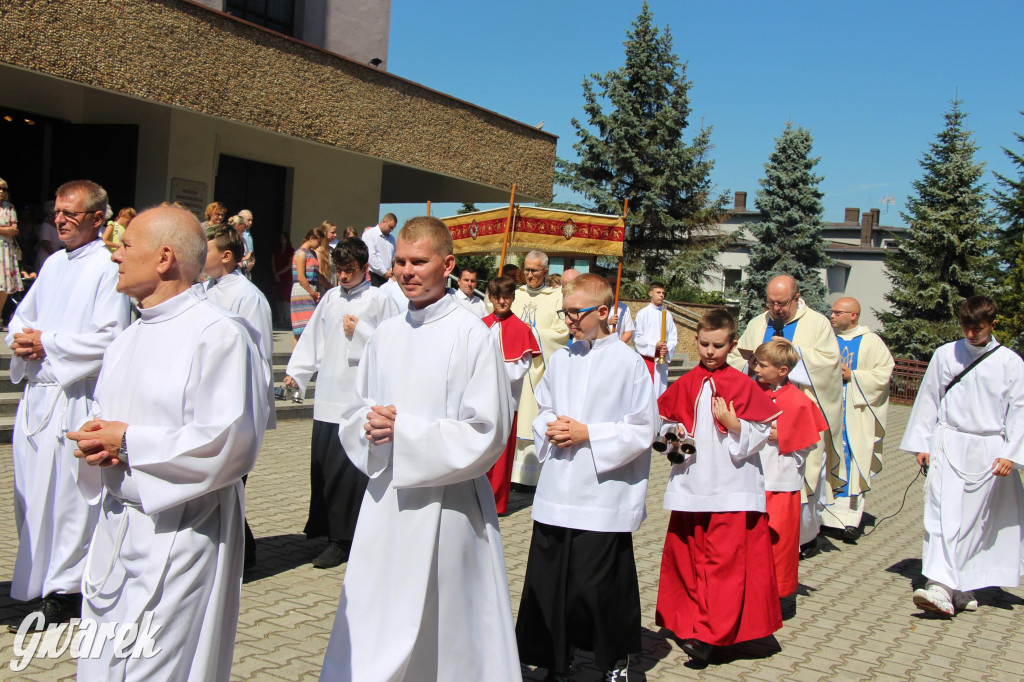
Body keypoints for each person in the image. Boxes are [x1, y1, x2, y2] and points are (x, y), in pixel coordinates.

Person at [66, 205, 269, 680]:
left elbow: (228, 442)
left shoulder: (217, 335)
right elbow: (113, 419)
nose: (115, 253)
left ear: (163, 259)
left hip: (181, 531)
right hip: (116, 527)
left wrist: (128, 442)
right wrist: (96, 439)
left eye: (126, 244)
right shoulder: (126, 338)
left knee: (156, 669)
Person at [321, 216, 519, 681]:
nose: (407, 272)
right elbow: (356, 408)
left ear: (447, 264)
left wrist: (405, 432)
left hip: (448, 505)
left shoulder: (473, 334)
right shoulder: (386, 333)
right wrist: (369, 428)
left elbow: (488, 430)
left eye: (419, 262)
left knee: (445, 624)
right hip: (387, 497)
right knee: (380, 611)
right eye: (400, 263)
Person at [516, 274, 657, 682]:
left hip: (602, 494)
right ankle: (556, 661)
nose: (568, 321)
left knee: (597, 587)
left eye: (575, 312)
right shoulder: (561, 359)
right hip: (559, 486)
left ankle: (612, 661)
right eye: (565, 312)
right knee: (549, 583)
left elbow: (642, 428)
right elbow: (542, 408)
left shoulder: (628, 362)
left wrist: (589, 432)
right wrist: (550, 427)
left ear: (603, 311)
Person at [6, 180, 131, 630]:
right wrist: (21, 341)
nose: (59, 219)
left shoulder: (106, 266)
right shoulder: (54, 263)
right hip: (38, 396)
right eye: (57, 212)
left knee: (68, 500)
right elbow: (23, 317)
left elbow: (110, 338)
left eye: (70, 213)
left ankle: (66, 589)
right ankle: (39, 579)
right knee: (32, 495)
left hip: (75, 397)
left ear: (97, 218)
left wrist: (49, 344)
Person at [656, 308, 782, 663]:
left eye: (718, 345)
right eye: (704, 344)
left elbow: (761, 434)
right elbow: (665, 434)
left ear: (733, 344)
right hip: (692, 484)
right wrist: (674, 436)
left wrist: (735, 424)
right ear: (696, 341)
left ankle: (715, 634)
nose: (710, 351)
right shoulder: (683, 384)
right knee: (689, 558)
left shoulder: (744, 386)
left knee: (724, 564)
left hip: (731, 486)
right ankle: (689, 622)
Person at [902, 295, 1024, 617]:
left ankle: (961, 582)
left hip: (989, 450)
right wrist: (922, 443)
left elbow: (1020, 411)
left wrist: (1012, 453)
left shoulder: (1010, 363)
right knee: (942, 515)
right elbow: (929, 398)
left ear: (992, 324)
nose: (971, 334)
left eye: (978, 329)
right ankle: (940, 586)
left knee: (975, 521)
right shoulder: (946, 354)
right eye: (966, 327)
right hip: (949, 442)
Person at [283, 238, 400, 569]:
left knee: (346, 472)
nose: (343, 276)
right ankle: (325, 530)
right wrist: (297, 372)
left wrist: (361, 329)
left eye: (350, 270)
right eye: (339, 270)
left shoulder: (379, 300)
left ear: (365, 268)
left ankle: (343, 540)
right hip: (327, 398)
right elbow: (313, 339)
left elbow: (393, 343)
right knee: (323, 468)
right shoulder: (331, 299)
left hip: (357, 399)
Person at [729, 275, 842, 556]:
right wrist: (750, 363)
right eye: (771, 302)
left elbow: (830, 363)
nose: (776, 309)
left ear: (796, 297)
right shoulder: (758, 323)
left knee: (804, 472)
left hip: (797, 407)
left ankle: (804, 537)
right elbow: (735, 359)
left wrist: (794, 355)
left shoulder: (817, 323)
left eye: (782, 303)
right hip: (758, 409)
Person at [203, 225, 275, 570]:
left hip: (236, 406)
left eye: (206, 251)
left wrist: (251, 413)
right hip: (207, 404)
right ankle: (232, 554)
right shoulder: (204, 289)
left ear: (226, 256)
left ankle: (242, 558)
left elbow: (258, 358)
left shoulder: (248, 296)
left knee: (230, 485)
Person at [753, 339, 828, 599]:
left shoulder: (799, 401)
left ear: (782, 370)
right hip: (752, 479)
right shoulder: (752, 391)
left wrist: (782, 434)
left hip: (782, 481)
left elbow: (808, 444)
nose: (756, 369)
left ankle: (779, 593)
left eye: (762, 365)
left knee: (780, 543)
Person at [823, 296, 894, 542]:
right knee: (826, 457)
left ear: (853, 315)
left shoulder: (871, 342)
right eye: (832, 312)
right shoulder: (827, 339)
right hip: (829, 409)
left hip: (855, 412)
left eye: (837, 312)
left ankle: (849, 521)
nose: (832, 316)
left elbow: (884, 373)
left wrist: (853, 375)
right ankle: (824, 518)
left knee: (853, 460)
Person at [510, 250, 571, 487]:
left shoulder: (556, 297)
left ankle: (533, 476)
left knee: (532, 417)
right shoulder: (516, 294)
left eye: (534, 270)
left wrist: (532, 334)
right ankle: (513, 475)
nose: (529, 274)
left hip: (538, 368)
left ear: (545, 271)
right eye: (526, 269)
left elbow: (561, 333)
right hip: (515, 367)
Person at [482, 275, 541, 514]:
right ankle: (476, 497)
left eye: (506, 297)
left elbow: (518, 369)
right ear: (490, 298)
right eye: (497, 297)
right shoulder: (480, 323)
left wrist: (488, 371)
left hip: (506, 400)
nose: (502, 301)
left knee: (501, 454)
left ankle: (496, 503)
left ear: (513, 298)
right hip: (480, 400)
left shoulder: (521, 329)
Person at [633, 282, 677, 396]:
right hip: (648, 358)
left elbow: (673, 336)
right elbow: (637, 337)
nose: (661, 295)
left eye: (663, 293)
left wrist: (666, 347)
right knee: (646, 392)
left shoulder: (667, 315)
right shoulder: (643, 314)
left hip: (661, 360)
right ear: (650, 293)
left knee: (660, 392)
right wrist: (654, 345)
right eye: (658, 292)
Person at [291, 228, 323, 344]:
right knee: (301, 330)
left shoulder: (312, 254)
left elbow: (318, 275)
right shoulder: (301, 253)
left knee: (310, 328)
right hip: (302, 291)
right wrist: (312, 292)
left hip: (310, 291)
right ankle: (295, 359)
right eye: (318, 242)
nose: (319, 245)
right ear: (312, 238)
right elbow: (301, 277)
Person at [0, 178, 24, 319]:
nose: (1, 191)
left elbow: (14, 229)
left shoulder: (9, 207)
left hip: (5, 249)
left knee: (4, 284)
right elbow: (10, 229)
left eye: (4, 189)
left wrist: (7, 230)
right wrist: (6, 229)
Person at [361, 212, 397, 286]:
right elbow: (371, 256)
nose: (391, 230)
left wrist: (391, 271)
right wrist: (383, 272)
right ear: (384, 221)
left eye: (393, 228)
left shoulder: (392, 238)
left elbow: (393, 256)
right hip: (374, 275)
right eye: (390, 227)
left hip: (388, 276)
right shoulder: (370, 234)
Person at [271, 232, 294, 326]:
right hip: (277, 275)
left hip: (286, 275)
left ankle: (282, 316)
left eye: (284, 237)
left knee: (285, 295)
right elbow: (272, 262)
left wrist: (279, 273)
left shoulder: (291, 250)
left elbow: (289, 265)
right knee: (277, 295)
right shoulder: (276, 250)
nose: (282, 239)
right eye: (281, 237)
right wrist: (275, 274)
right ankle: (279, 315)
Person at [605, 276, 635, 344]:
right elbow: (592, 328)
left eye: (614, 284)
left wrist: (618, 345)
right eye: (609, 284)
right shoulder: (597, 306)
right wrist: (607, 322)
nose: (612, 287)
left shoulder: (624, 308)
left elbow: (629, 331)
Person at [318, 221, 338, 293]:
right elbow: (319, 274)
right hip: (323, 289)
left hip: (333, 287)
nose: (335, 235)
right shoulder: (318, 251)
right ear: (325, 232)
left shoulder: (332, 250)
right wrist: (330, 288)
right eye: (332, 233)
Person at [236, 209, 256, 276]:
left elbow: (251, 252)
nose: (251, 223)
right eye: (249, 220)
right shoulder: (233, 235)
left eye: (251, 220)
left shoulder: (248, 234)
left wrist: (252, 262)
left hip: (246, 271)